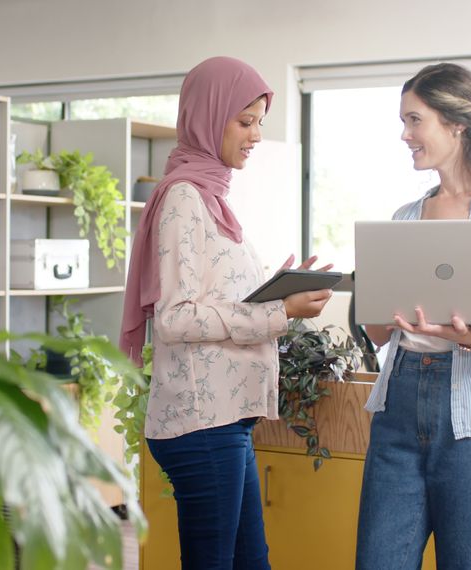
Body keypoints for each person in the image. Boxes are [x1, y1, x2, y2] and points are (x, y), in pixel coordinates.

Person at [119, 56, 332, 570]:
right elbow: (176, 317)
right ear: (208, 117)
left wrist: (274, 288)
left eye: (259, 121)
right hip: (201, 421)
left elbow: (212, 295)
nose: (256, 134)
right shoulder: (185, 199)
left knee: (249, 561)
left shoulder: (209, 195)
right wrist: (280, 311)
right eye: (245, 121)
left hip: (221, 418)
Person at [355, 62, 471, 570]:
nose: (405, 135)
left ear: (455, 123)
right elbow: (376, 331)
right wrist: (376, 293)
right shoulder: (403, 219)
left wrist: (468, 339)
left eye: (415, 120)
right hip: (399, 406)